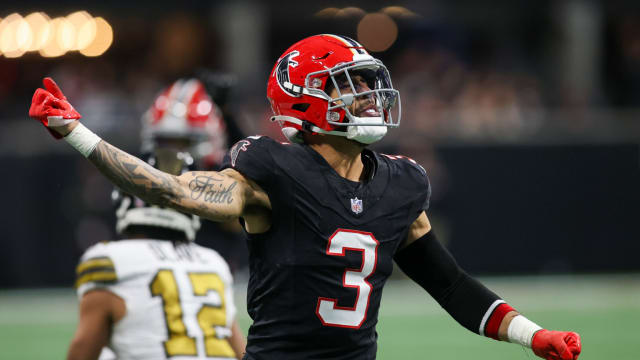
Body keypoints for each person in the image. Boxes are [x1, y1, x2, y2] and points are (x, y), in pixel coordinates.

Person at [31, 34, 581, 360]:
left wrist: (534, 336)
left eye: (368, 83)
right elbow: (175, 189)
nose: (367, 96)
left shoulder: (401, 183)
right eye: (349, 85)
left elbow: (451, 285)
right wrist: (78, 133)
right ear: (305, 100)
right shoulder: (274, 170)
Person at [66, 78, 246, 360]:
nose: (173, 152)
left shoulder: (111, 260)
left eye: (184, 141)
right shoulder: (212, 262)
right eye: (166, 141)